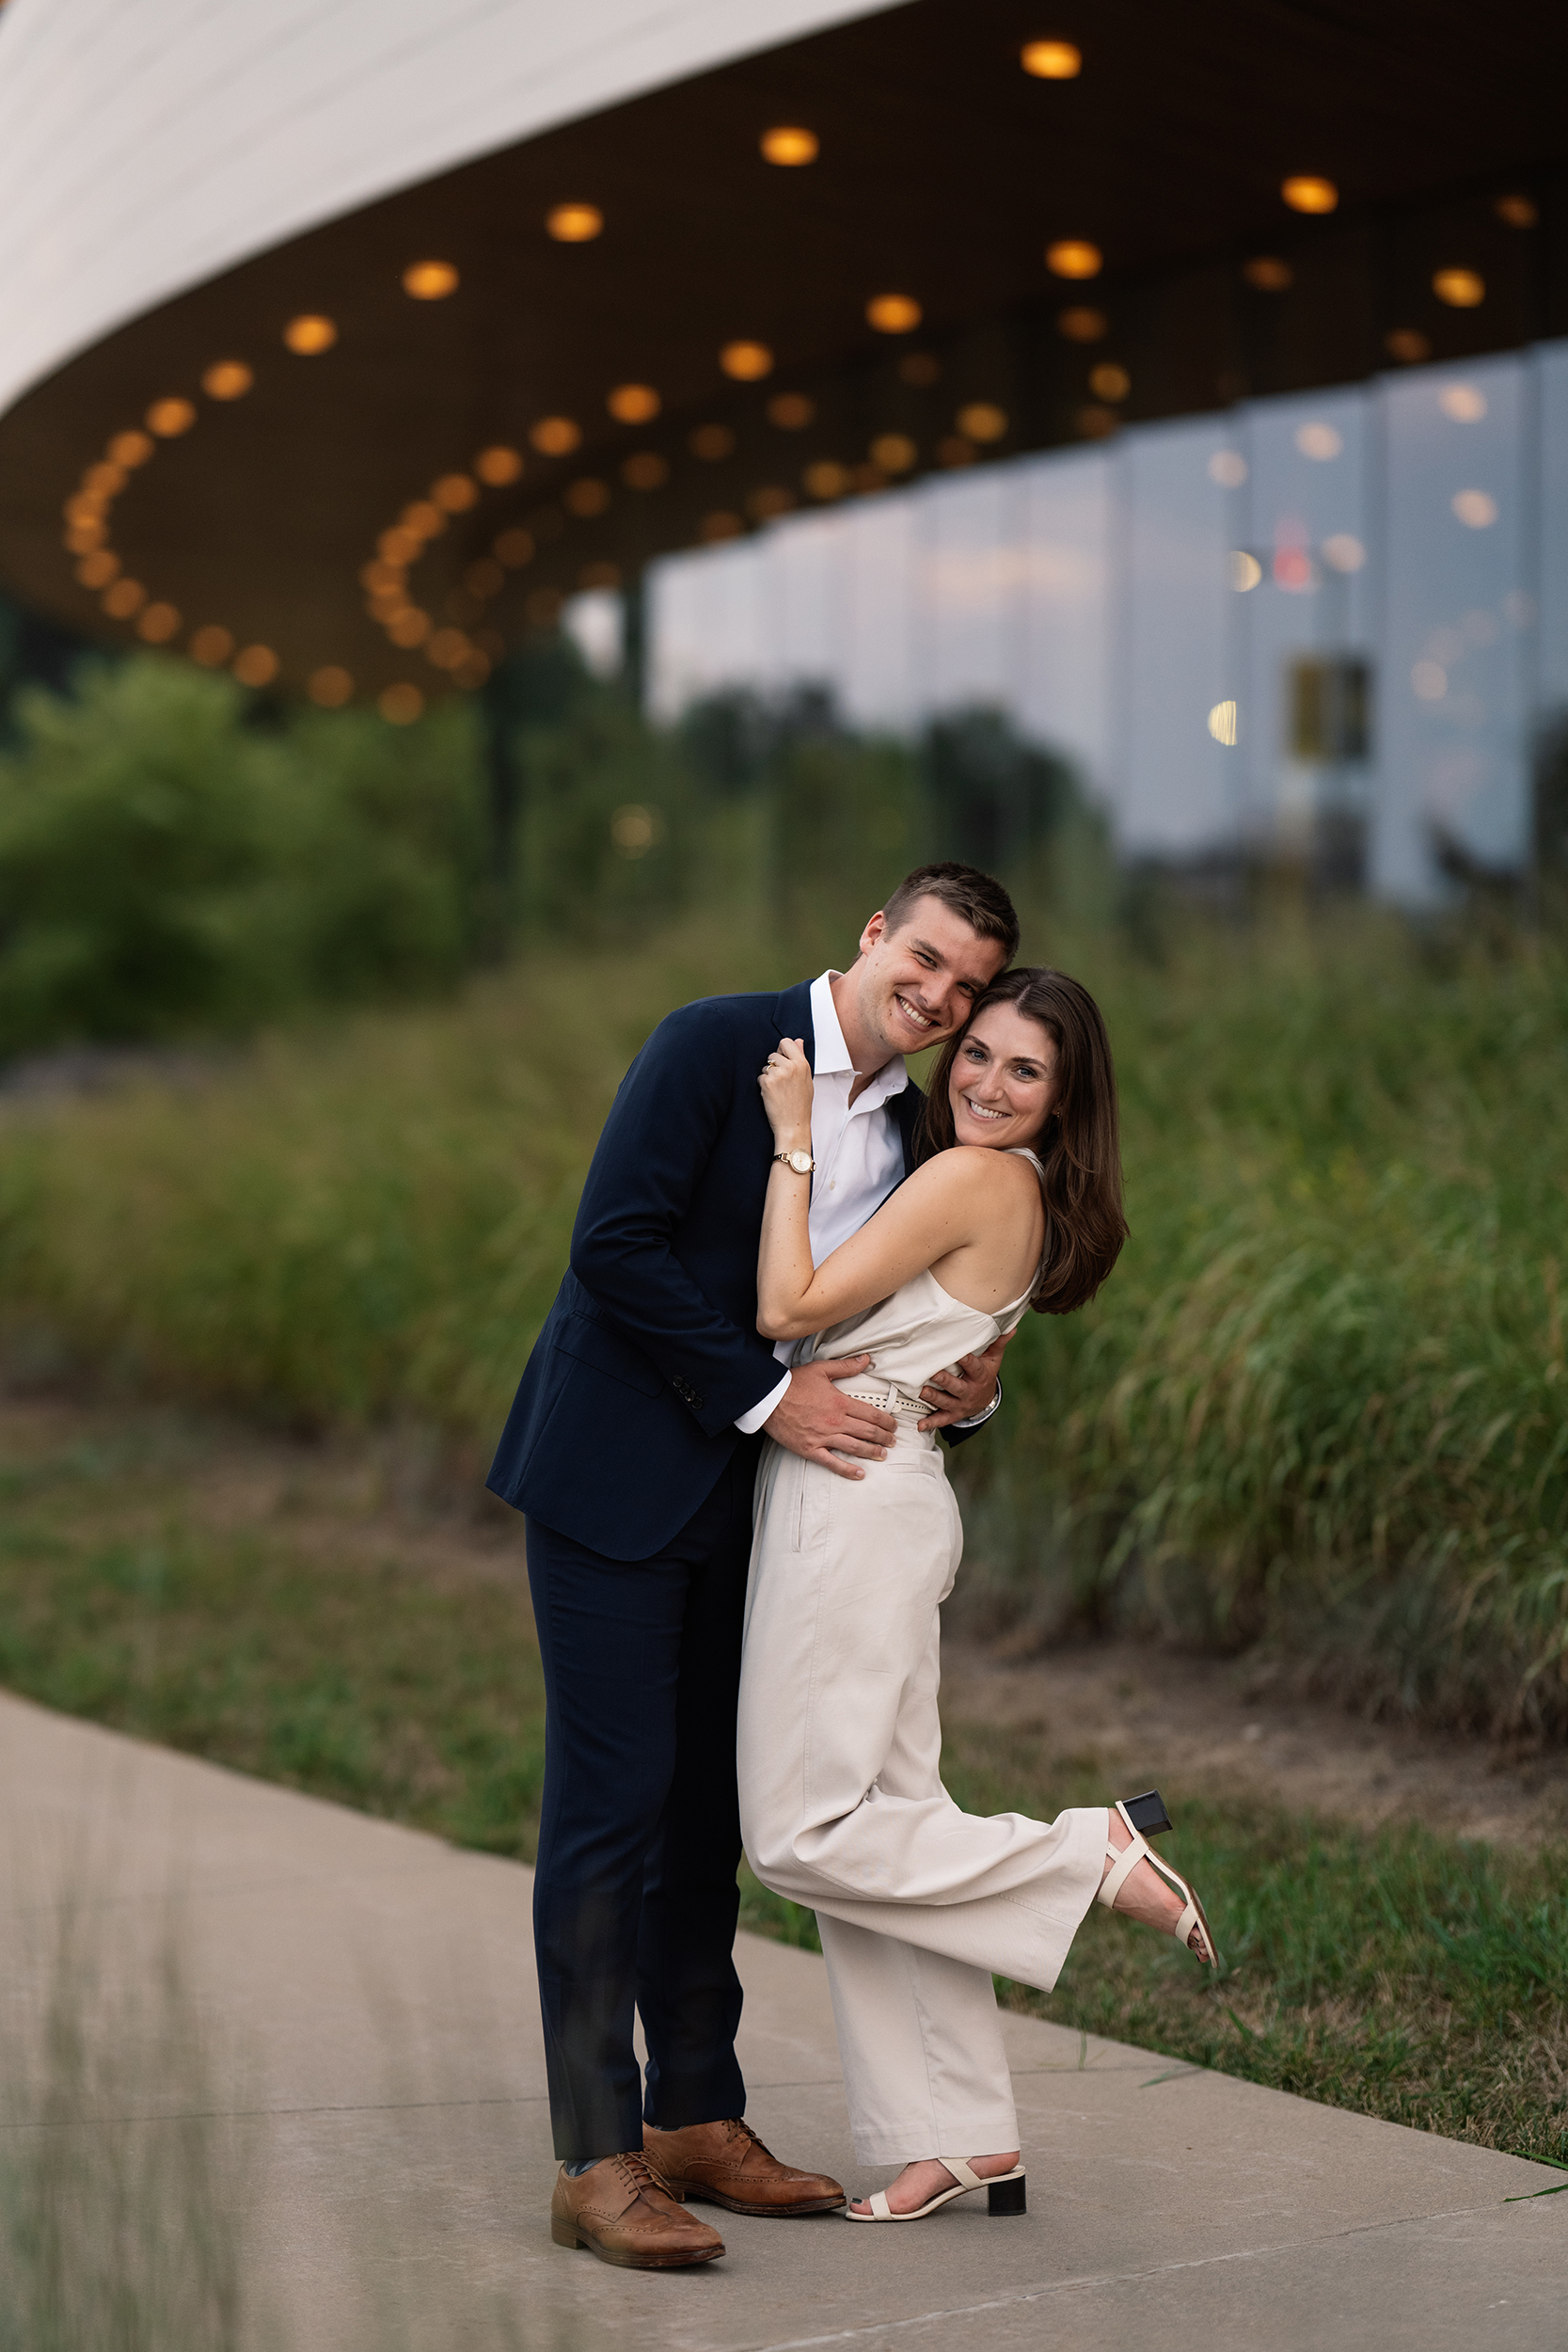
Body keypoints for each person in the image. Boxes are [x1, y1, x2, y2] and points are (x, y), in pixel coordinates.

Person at [487, 864, 1023, 2269]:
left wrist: (968, 1387)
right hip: (612, 1480)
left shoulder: (920, 1129)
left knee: (708, 1820)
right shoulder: (718, 1044)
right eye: (924, 959)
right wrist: (766, 1395)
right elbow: (616, 1248)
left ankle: (695, 2120)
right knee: (607, 1816)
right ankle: (593, 2158)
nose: (938, 996)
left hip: (767, 1509)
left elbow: (904, 1306)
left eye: (965, 986)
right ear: (872, 934)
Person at [738, 965, 1219, 2226]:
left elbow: (785, 1306)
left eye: (1025, 1070)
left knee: (802, 1833)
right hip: (888, 1484)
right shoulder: (1012, 1190)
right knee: (887, 1829)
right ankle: (957, 2133)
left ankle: (1086, 1851)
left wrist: (793, 1148)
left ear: (1064, 1102)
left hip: (851, 1502)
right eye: (980, 1053)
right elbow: (939, 1349)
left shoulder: (970, 1176)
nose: (986, 1081)